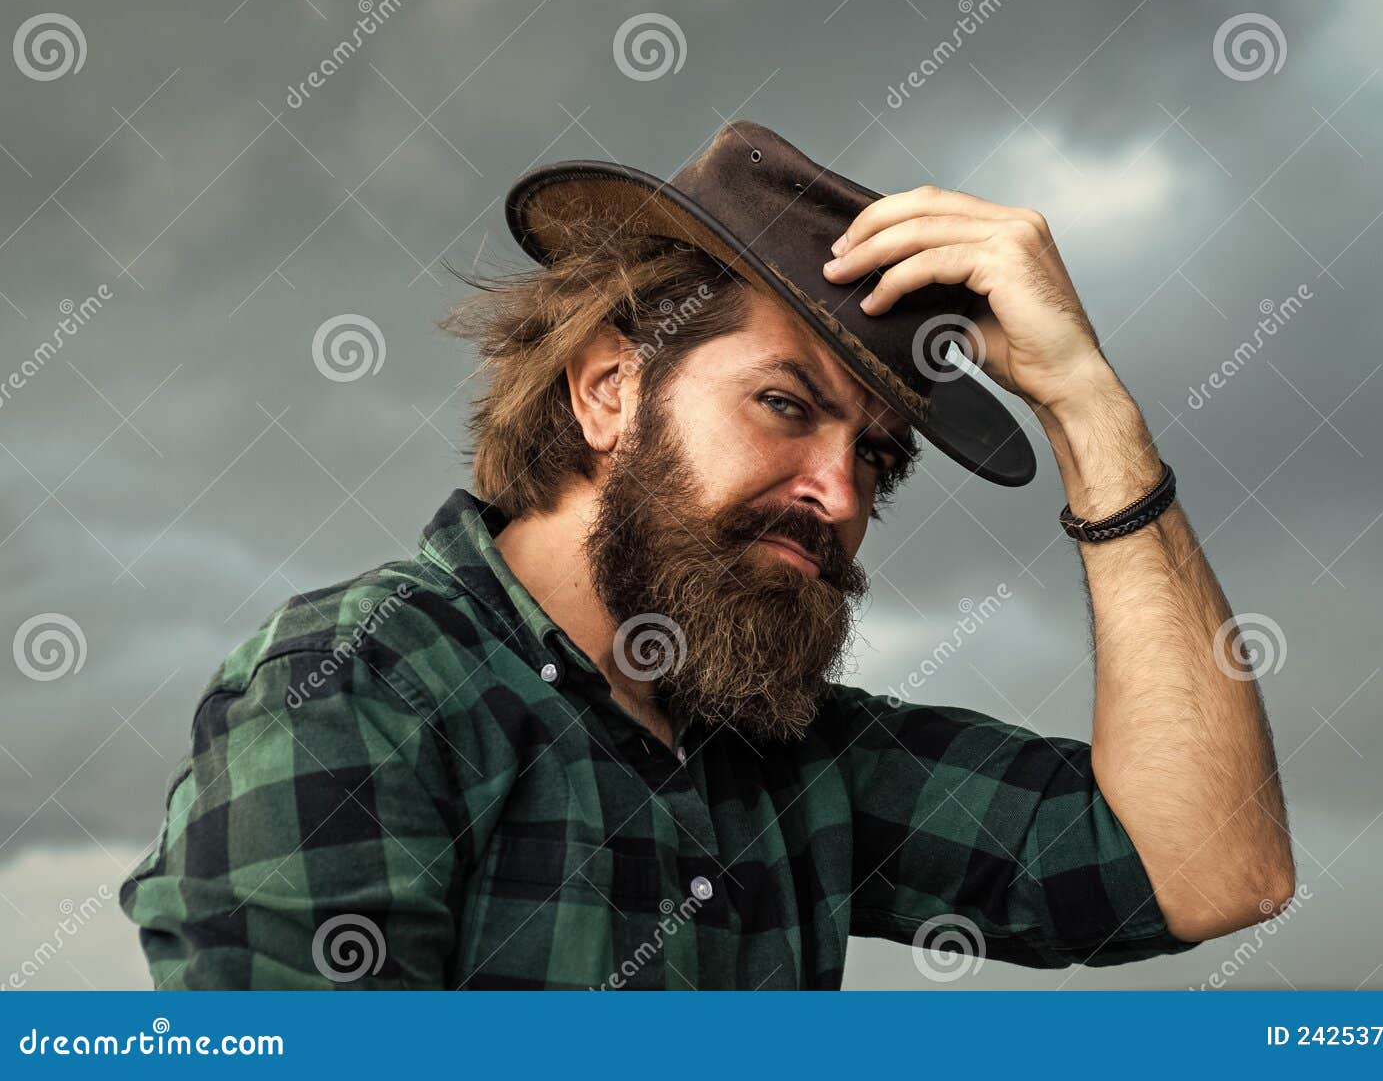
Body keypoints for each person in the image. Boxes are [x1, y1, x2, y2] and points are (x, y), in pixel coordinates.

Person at [120, 120, 1293, 989]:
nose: (837, 493)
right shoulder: (359, 691)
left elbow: (1209, 866)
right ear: (610, 388)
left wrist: (1089, 407)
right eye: (785, 404)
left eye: (876, 462)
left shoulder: (789, 748)